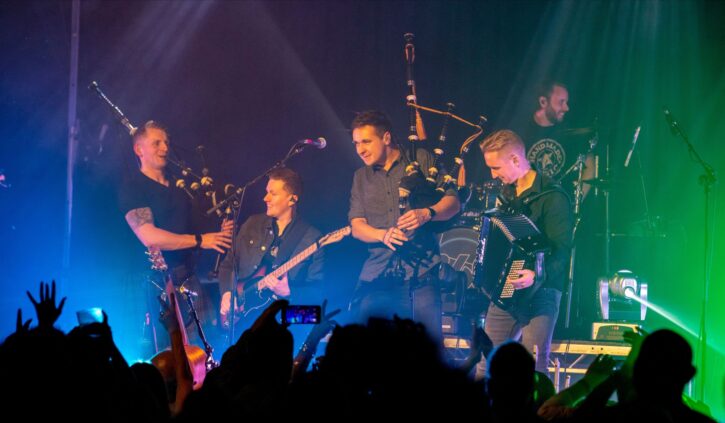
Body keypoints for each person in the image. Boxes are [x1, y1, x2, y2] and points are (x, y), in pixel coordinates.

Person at [348, 110, 461, 341]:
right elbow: (356, 226)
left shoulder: (420, 159)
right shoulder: (361, 176)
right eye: (356, 143)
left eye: (366, 141)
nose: (360, 149)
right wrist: (382, 235)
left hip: (422, 272)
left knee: (428, 354)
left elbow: (453, 202)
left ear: (386, 138)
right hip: (378, 275)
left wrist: (427, 213)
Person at [119, 121, 233, 349]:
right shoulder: (133, 186)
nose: (165, 148)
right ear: (139, 149)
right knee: (162, 350)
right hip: (152, 283)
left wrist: (221, 231)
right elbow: (149, 236)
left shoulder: (181, 187)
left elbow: (196, 225)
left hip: (188, 277)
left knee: (203, 346)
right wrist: (202, 240)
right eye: (157, 143)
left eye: (166, 143)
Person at [474, 129, 573, 378]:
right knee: (486, 363)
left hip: (542, 292)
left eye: (496, 168)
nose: (493, 175)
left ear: (516, 160)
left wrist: (536, 273)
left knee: (533, 368)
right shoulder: (506, 195)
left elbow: (562, 251)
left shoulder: (553, 197)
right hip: (506, 291)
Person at [217, 167, 324, 335]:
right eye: (266, 192)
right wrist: (227, 293)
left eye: (273, 194)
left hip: (284, 324)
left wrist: (289, 293)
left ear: (292, 199)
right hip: (243, 321)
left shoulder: (312, 238)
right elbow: (228, 265)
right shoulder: (252, 224)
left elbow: (320, 297)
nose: (265, 198)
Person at [513, 80, 596, 198]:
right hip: (528, 205)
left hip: (559, 206)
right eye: (561, 102)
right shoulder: (521, 131)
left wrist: (577, 200)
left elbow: (589, 163)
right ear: (543, 102)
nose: (566, 108)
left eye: (566, 102)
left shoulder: (569, 131)